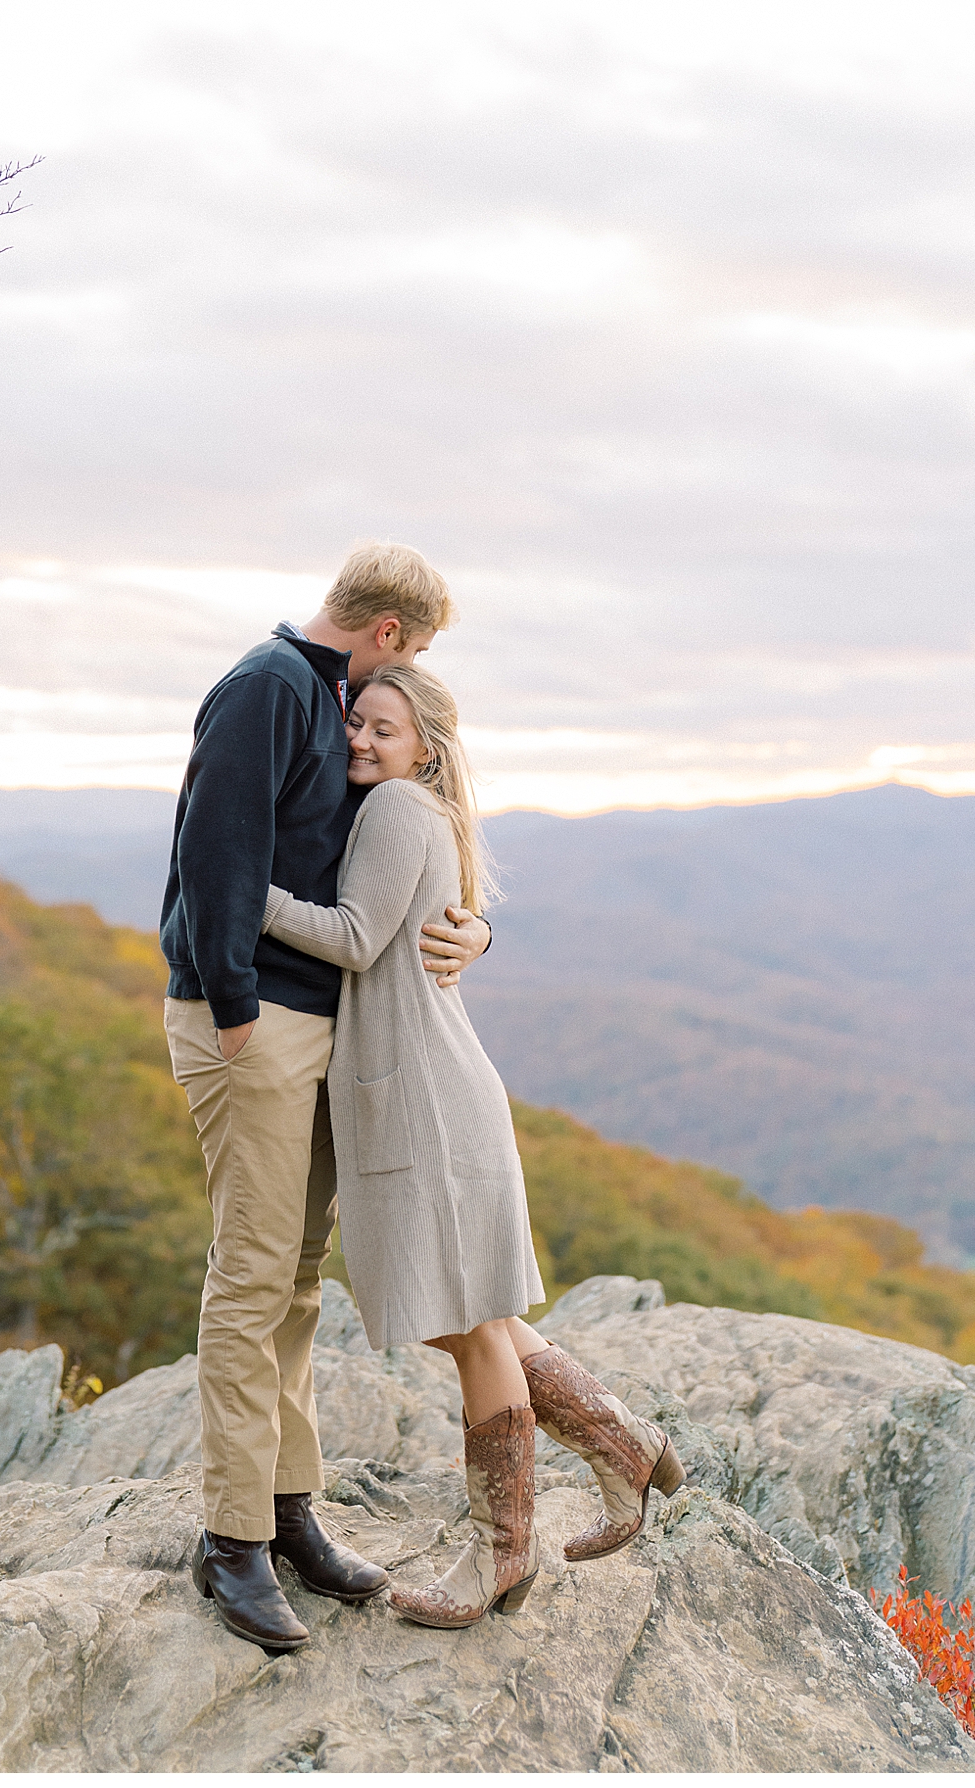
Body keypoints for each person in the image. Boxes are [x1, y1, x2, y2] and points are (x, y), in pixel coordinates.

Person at [260, 663, 686, 1630]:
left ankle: (502, 1552)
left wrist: (248, 896)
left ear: (426, 748)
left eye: (384, 729)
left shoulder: (397, 812)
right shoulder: (418, 811)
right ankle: (624, 1445)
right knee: (470, 1315)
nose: (363, 740)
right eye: (356, 724)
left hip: (427, 1104)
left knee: (473, 1327)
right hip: (421, 1092)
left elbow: (358, 937)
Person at [161, 542, 494, 1651]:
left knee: (296, 1278)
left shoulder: (324, 705)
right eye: (415, 653)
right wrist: (232, 1002)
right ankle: (229, 1540)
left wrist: (473, 927)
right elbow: (215, 848)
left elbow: (405, 865)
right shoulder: (268, 688)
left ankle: (286, 1508)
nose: (370, 719)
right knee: (253, 1274)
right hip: (254, 1023)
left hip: (321, 1026)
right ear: (389, 634)